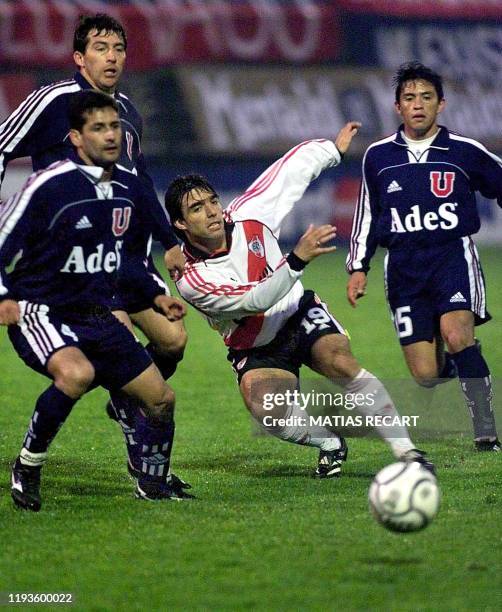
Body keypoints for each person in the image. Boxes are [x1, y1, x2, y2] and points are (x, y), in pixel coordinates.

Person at [164, 123, 434, 478]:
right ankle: (329, 442)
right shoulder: (192, 278)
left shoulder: (248, 216)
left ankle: (407, 450)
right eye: (197, 209)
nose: (212, 211)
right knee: (267, 410)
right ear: (180, 224)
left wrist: (331, 151)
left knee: (339, 361)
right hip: (255, 345)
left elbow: (288, 173)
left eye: (212, 201)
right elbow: (253, 301)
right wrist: (296, 260)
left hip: (297, 313)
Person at [0, 13, 188, 476]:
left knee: (173, 341)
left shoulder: (129, 111)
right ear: (79, 58)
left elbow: (138, 186)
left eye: (119, 48)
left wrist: (162, 244)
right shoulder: (54, 100)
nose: (112, 57)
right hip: (72, 263)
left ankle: (125, 395)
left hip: (124, 255)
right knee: (120, 340)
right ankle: (143, 460)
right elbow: (2, 145)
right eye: (101, 48)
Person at [346, 61, 501, 452]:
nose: (418, 105)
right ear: (397, 107)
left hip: (451, 258)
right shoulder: (379, 156)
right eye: (410, 98)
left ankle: (485, 428)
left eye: (426, 97)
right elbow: (368, 214)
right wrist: (357, 267)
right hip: (403, 270)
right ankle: (459, 365)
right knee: (426, 375)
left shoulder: (465, 152)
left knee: (456, 334)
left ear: (441, 105)